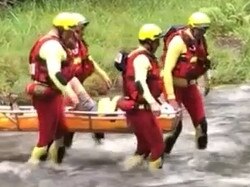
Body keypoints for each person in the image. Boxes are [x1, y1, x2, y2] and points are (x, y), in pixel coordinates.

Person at [26, 12, 82, 165]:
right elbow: (55, 73)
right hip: (46, 95)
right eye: (72, 32)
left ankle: (55, 168)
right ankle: (29, 171)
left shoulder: (55, 42)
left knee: (61, 133)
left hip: (53, 94)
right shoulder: (52, 46)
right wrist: (69, 91)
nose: (74, 36)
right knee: (45, 139)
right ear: (63, 29)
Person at [161, 12, 211, 154]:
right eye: (200, 30)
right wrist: (171, 98)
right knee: (176, 128)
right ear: (191, 27)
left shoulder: (201, 41)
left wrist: (207, 82)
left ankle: (202, 160)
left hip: (190, 87)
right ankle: (161, 157)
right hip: (173, 87)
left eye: (205, 30)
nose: (202, 33)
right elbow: (166, 72)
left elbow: (203, 62)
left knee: (202, 125)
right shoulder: (177, 42)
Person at [118, 23, 165, 172]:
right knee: (158, 147)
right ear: (150, 41)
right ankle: (156, 178)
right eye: (157, 40)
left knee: (144, 147)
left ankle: (128, 174)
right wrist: (153, 103)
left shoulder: (139, 56)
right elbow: (139, 82)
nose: (159, 43)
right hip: (140, 109)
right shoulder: (142, 59)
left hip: (137, 109)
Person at [62, 13, 112, 147]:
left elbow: (88, 60)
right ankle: (61, 151)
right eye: (79, 30)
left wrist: (102, 74)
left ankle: (99, 144)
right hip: (66, 87)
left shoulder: (79, 44)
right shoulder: (63, 46)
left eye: (82, 29)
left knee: (78, 118)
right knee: (90, 111)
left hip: (77, 84)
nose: (82, 32)